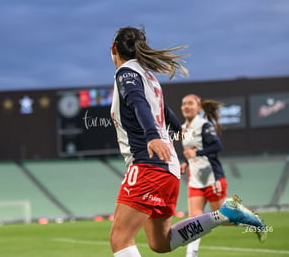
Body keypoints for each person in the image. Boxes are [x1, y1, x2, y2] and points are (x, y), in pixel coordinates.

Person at [109, 26, 267, 257]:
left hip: (148, 164)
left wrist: (153, 137)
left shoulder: (126, 74)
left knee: (120, 239)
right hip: (167, 167)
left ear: (114, 48)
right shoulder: (150, 79)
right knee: (160, 243)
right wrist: (177, 133)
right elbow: (168, 115)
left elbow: (137, 102)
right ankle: (226, 213)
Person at [180, 95, 226, 257]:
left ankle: (246, 216)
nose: (186, 106)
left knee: (223, 217)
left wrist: (196, 153)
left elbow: (217, 145)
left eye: (190, 103)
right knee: (194, 219)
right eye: (184, 104)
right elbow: (191, 151)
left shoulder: (204, 125)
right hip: (195, 180)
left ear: (199, 107)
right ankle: (191, 253)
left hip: (212, 177)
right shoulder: (183, 128)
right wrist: (186, 161)